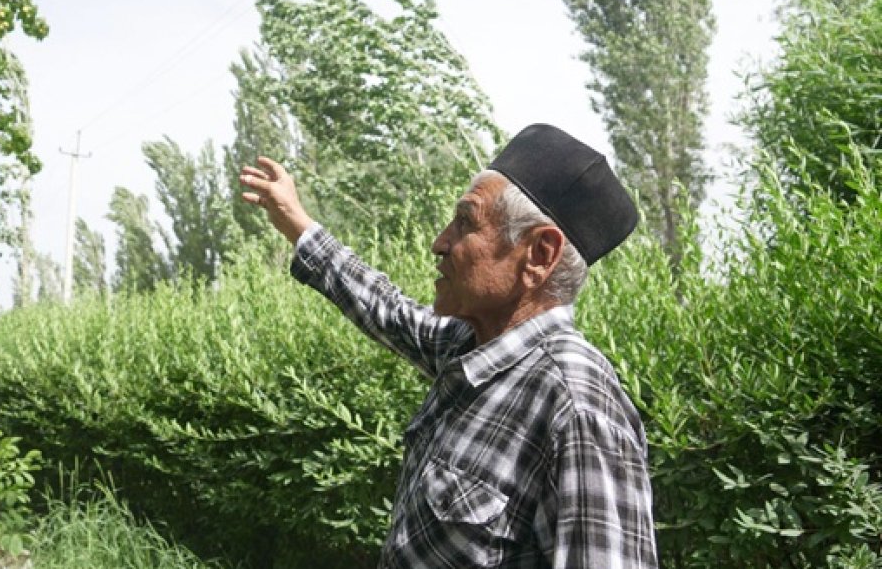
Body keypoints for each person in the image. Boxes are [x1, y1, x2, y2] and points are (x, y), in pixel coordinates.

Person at [239, 124, 657, 568]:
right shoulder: (471, 345)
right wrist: (297, 224)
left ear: (538, 255)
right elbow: (389, 311)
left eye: (465, 223)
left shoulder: (576, 406)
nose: (439, 243)